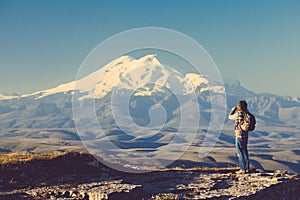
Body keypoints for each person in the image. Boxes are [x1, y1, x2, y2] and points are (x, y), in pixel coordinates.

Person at [229, 100, 250, 174]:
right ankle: (247, 168)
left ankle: (242, 168)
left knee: (240, 151)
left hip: (239, 135)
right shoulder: (247, 114)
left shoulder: (238, 114)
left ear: (239, 107)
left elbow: (230, 117)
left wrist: (233, 110)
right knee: (245, 151)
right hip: (245, 135)